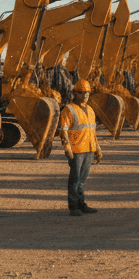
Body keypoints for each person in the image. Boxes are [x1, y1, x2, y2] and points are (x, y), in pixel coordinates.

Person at [58, 78, 102, 216]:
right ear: (76, 93)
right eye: (82, 93)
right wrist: (67, 148)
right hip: (76, 150)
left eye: (87, 93)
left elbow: (92, 131)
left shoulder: (90, 110)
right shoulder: (69, 109)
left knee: (82, 180)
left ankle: (81, 204)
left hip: (89, 149)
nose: (85, 95)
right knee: (75, 179)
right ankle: (73, 206)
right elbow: (63, 130)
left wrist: (98, 148)